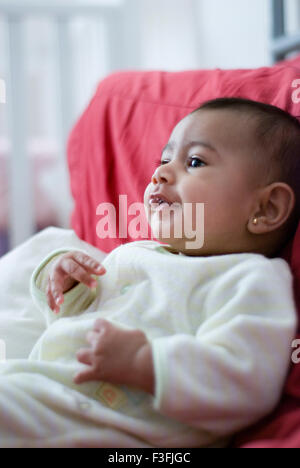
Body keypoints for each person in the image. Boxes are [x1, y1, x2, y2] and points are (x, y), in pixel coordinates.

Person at [0, 97, 298, 448]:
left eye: (195, 161)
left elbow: (247, 379)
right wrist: (68, 286)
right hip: (41, 389)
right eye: (164, 160)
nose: (160, 173)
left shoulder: (249, 279)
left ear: (266, 208)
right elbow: (71, 326)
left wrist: (146, 362)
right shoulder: (133, 254)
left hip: (104, 423)